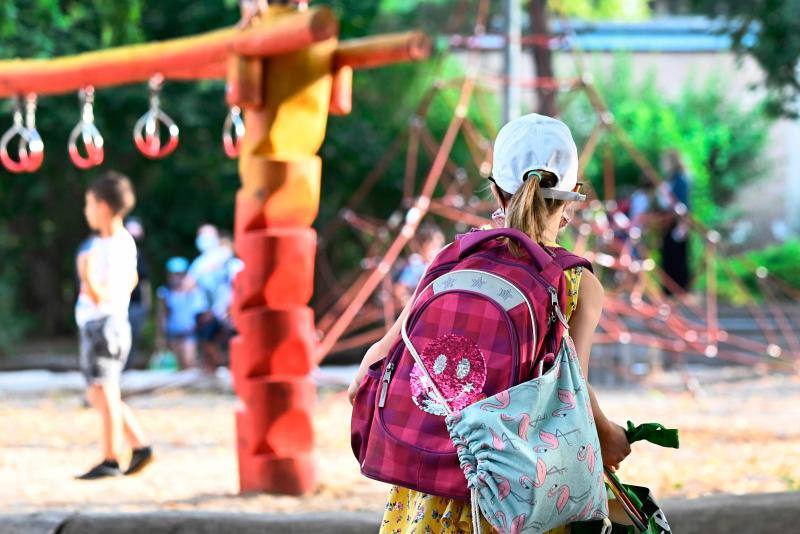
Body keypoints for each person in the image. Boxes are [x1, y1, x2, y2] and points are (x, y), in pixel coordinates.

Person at [348, 114, 631, 533]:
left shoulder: (452, 258)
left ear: (496, 189)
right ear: (573, 197)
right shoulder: (576, 283)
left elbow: (374, 365)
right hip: (513, 499)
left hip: (430, 497)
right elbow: (570, 398)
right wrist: (611, 437)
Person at [75, 171, 153, 479]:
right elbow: (130, 281)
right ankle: (140, 445)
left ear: (104, 206)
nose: (87, 211)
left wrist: (87, 275)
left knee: (103, 391)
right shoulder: (123, 242)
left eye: (89, 204)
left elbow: (100, 295)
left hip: (103, 325)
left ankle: (111, 458)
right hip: (110, 324)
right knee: (101, 393)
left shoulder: (104, 247)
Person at [156, 257, 206, 369]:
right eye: (173, 274)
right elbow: (162, 315)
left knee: (189, 362)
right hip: (173, 333)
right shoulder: (165, 292)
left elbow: (200, 314)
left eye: (179, 274)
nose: (176, 277)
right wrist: (161, 337)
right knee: (177, 366)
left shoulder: (195, 291)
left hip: (190, 333)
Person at [658, 150, 691, 294]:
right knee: (668, 257)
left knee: (678, 258)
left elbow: (682, 205)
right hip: (668, 222)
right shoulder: (670, 179)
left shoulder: (680, 179)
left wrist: (682, 224)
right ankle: (669, 291)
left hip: (677, 223)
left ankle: (679, 290)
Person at [123, 217, 151, 370]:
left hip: (136, 304)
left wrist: (146, 305)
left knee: (133, 336)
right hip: (120, 304)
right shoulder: (117, 253)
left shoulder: (140, 255)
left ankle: (127, 367)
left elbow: (145, 282)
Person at [393, 224, 445, 305]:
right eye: (434, 246)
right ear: (424, 245)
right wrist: (413, 306)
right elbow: (399, 290)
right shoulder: (416, 264)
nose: (437, 251)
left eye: (439, 247)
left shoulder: (428, 265)